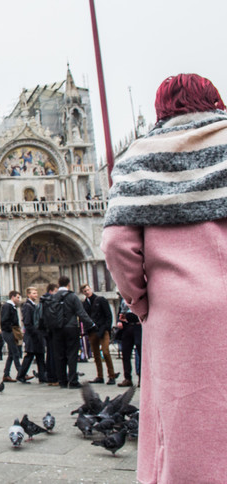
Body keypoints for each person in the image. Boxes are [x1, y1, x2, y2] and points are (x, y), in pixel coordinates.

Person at [101, 73, 227, 484]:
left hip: (179, 311)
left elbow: (116, 245)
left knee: (186, 415)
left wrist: (141, 302)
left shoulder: (142, 155)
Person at [51, 276, 95, 388]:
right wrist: (91, 324)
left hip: (57, 329)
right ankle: (73, 381)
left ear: (58, 284)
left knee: (59, 355)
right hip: (71, 328)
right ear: (68, 284)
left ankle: (62, 381)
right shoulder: (72, 296)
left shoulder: (53, 297)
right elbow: (81, 312)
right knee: (72, 354)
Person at [80, 284, 117, 384]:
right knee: (96, 354)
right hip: (92, 331)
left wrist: (107, 328)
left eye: (88, 290)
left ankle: (111, 375)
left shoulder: (101, 300)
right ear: (83, 293)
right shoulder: (85, 304)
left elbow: (108, 315)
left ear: (90, 289)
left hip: (102, 329)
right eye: (85, 291)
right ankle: (100, 376)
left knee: (106, 352)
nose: (87, 292)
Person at [16, 287, 43, 383]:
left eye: (36, 293)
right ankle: (21, 375)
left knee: (39, 355)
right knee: (30, 356)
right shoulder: (27, 306)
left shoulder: (33, 305)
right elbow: (27, 322)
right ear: (28, 294)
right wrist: (35, 332)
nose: (36, 295)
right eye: (34, 293)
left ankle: (42, 376)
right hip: (32, 336)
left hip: (35, 334)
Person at [115, 297, 141, 388]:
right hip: (126, 327)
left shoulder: (139, 295)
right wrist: (119, 321)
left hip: (138, 326)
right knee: (125, 353)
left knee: (141, 353)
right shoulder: (123, 298)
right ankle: (127, 378)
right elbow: (120, 311)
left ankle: (141, 378)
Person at [0, 291, 22, 382]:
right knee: (15, 352)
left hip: (10, 331)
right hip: (8, 332)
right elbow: (4, 320)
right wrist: (11, 329)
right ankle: (21, 373)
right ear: (12, 297)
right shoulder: (7, 306)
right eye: (17, 297)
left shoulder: (12, 306)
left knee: (11, 354)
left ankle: (6, 374)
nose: (19, 299)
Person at [40, 283, 59, 385]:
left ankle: (50, 376)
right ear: (51, 291)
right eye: (56, 291)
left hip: (46, 331)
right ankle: (54, 377)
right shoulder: (50, 301)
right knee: (53, 354)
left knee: (50, 354)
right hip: (52, 331)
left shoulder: (43, 301)